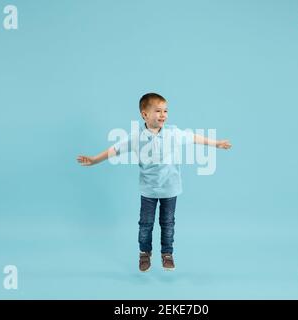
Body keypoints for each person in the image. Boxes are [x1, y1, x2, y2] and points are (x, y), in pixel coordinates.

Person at [77, 93, 232, 272]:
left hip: (170, 189)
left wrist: (216, 144)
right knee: (145, 224)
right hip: (148, 191)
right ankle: (144, 253)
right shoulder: (136, 137)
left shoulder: (173, 133)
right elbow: (115, 150)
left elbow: (194, 138)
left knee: (168, 223)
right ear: (145, 115)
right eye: (158, 111)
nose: (163, 115)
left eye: (165, 111)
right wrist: (95, 159)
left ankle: (167, 253)